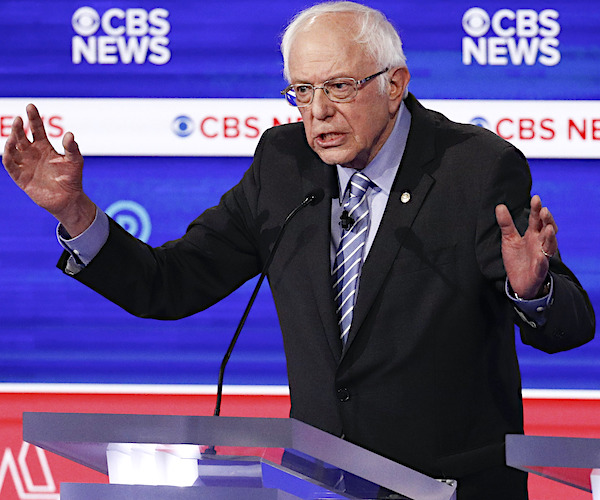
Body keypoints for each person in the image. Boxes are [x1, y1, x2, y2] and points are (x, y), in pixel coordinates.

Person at [2, 2, 594, 499]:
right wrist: (75, 214)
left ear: (396, 84)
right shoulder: (283, 166)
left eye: (338, 87)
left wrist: (532, 290)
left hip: (451, 486)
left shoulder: (474, 168)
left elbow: (568, 326)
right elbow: (171, 283)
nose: (317, 112)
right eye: (302, 90)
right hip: (319, 484)